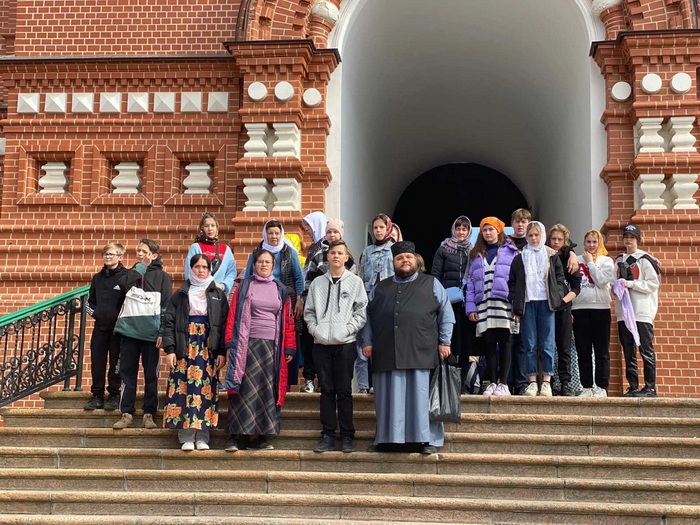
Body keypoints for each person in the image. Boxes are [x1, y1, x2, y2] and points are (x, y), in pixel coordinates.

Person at [360, 241, 455, 455]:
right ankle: (386, 440)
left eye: (408, 258)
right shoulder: (380, 287)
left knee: (420, 398)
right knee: (387, 399)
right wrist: (367, 342)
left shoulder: (431, 283)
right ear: (393, 262)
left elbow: (446, 314)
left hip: (420, 349)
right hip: (386, 350)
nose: (405, 261)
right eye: (400, 258)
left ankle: (425, 440)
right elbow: (368, 318)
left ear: (415, 260)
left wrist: (445, 341)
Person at [223, 248, 296, 451]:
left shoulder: (281, 290)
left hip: (272, 347)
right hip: (246, 345)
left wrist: (289, 346)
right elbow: (233, 316)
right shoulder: (244, 286)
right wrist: (230, 343)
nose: (264, 265)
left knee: (266, 390)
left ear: (273, 266)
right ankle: (235, 436)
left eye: (268, 262)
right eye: (260, 262)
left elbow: (288, 321)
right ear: (254, 265)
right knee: (243, 388)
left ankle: (260, 437)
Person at [305, 240, 368, 453]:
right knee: (326, 390)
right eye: (332, 253)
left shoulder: (355, 282)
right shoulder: (317, 283)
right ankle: (328, 434)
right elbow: (309, 312)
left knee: (344, 391)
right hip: (321, 344)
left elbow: (361, 312)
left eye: (340, 253)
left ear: (346, 257)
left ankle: (348, 436)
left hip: (345, 344)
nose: (336, 256)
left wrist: (347, 330)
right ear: (328, 257)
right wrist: (316, 330)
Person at [162, 254, 228, 450]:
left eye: (204, 267)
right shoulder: (181, 293)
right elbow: (169, 323)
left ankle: (202, 436)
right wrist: (170, 350)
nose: (201, 270)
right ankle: (186, 437)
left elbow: (223, 324)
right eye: (197, 267)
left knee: (204, 389)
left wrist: (222, 351)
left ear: (210, 270)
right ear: (191, 269)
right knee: (184, 388)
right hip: (185, 344)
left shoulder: (217, 294)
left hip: (208, 346)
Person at [113, 239, 172, 429]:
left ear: (154, 255)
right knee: (127, 374)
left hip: (151, 335)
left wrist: (162, 332)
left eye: (144, 251)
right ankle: (126, 413)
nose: (139, 253)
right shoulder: (131, 272)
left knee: (151, 376)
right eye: (138, 250)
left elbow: (166, 307)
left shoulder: (163, 277)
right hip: (129, 332)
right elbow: (122, 285)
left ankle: (149, 413)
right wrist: (140, 268)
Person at [508, 222, 571, 397]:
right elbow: (512, 282)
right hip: (528, 304)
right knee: (529, 344)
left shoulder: (551, 255)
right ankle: (532, 382)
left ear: (541, 235)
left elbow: (560, 279)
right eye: (530, 235)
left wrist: (557, 297)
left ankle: (546, 382)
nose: (534, 238)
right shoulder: (520, 257)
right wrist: (514, 301)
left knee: (547, 344)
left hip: (546, 304)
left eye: (536, 235)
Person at [244, 219, 304, 391]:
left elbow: (298, 278)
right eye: (270, 233)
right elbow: (248, 276)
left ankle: (287, 382)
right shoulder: (257, 253)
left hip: (286, 301)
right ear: (265, 234)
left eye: (277, 233)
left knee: (287, 337)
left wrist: (299, 299)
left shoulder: (289, 252)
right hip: (260, 302)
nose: (274, 236)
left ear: (281, 234)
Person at [300, 218, 358, 394]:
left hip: (340, 315)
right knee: (311, 344)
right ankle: (310, 379)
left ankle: (328, 383)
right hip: (317, 311)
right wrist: (306, 302)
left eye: (335, 232)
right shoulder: (318, 255)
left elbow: (353, 285)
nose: (332, 235)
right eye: (329, 232)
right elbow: (308, 280)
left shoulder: (349, 257)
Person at [466, 217, 518, 396]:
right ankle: (492, 382)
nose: (488, 233)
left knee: (504, 342)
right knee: (488, 344)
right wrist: (471, 307)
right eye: (485, 230)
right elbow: (470, 283)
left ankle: (504, 383)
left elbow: (517, 280)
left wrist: (516, 306)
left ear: (499, 231)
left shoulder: (511, 251)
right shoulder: (475, 254)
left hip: (503, 304)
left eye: (491, 229)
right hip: (484, 304)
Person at [614, 224, 661, 398]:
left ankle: (650, 386)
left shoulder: (645, 260)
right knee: (628, 350)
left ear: (638, 239)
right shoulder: (618, 260)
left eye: (632, 237)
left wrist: (631, 284)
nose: (628, 240)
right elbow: (614, 281)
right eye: (626, 236)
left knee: (646, 350)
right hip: (624, 312)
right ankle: (632, 386)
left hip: (641, 311)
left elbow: (653, 284)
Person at [432, 215, 475, 391]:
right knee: (448, 338)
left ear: (469, 231)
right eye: (458, 228)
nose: (461, 232)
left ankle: (464, 381)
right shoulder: (443, 249)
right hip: (448, 301)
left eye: (464, 229)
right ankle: (447, 382)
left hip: (467, 301)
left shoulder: (472, 250)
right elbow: (436, 275)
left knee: (465, 340)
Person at [84, 243, 127, 411]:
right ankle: (97, 396)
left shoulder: (126, 276)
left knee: (116, 362)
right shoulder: (97, 278)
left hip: (118, 329)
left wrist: (120, 318)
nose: (108, 257)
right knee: (97, 362)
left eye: (111, 254)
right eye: (106, 254)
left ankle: (113, 395)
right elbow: (90, 302)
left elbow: (130, 301)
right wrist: (96, 314)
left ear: (120, 257)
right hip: (100, 327)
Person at [572, 229, 615, 398]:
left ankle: (602, 386)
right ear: (584, 243)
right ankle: (587, 386)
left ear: (599, 243)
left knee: (601, 350)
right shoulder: (576, 259)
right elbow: (572, 284)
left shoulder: (606, 261)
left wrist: (590, 263)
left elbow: (602, 280)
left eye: (594, 242)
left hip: (601, 308)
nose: (591, 245)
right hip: (580, 308)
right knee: (583, 350)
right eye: (588, 242)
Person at [356, 213, 395, 393]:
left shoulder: (395, 249)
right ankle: (364, 385)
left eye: (381, 227)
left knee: (383, 343)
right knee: (364, 342)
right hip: (367, 299)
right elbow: (360, 276)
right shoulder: (366, 252)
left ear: (388, 228)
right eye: (375, 228)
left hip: (388, 301)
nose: (378, 231)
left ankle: (380, 384)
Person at [547, 224, 581, 396]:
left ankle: (565, 383)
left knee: (564, 347)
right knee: (547, 346)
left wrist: (562, 302)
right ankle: (549, 382)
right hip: (546, 306)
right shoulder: (545, 255)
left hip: (563, 307)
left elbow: (576, 287)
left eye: (560, 239)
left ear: (565, 241)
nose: (556, 242)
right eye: (553, 239)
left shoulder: (569, 258)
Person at [184, 213, 237, 295]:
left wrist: (222, 286)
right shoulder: (196, 247)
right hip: (198, 294)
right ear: (202, 229)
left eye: (213, 225)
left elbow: (231, 272)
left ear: (217, 228)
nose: (210, 228)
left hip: (219, 294)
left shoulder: (226, 249)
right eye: (206, 226)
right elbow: (189, 272)